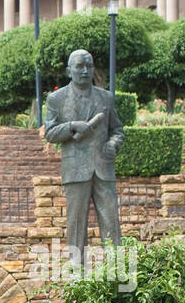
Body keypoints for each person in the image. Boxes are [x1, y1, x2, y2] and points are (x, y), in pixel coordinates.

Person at [44, 49, 125, 262]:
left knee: (111, 222)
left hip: (103, 168)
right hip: (75, 169)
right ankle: (77, 275)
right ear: (69, 70)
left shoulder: (106, 98)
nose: (85, 70)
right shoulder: (56, 99)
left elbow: (117, 130)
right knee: (76, 225)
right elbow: (50, 133)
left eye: (89, 66)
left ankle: (117, 273)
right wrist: (72, 126)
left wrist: (113, 144)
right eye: (80, 66)